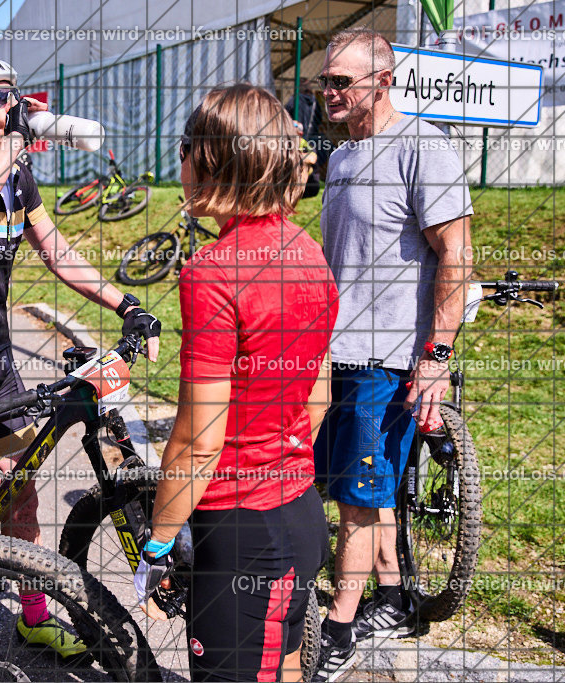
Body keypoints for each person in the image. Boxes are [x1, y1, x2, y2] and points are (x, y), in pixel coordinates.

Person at [0, 54, 162, 663]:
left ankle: (34, 617)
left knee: (22, 493)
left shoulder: (16, 175)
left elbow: (58, 252)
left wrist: (126, 304)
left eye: (13, 99)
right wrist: (12, 144)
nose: (11, 109)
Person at [133, 85, 338, 683]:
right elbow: (318, 396)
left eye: (185, 147)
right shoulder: (308, 251)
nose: (180, 161)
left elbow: (199, 437)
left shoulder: (212, 273)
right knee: (285, 665)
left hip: (242, 528)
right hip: (299, 511)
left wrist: (160, 540)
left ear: (215, 158)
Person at [312, 28, 474, 681]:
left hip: (387, 356)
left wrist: (435, 355)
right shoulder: (344, 153)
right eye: (324, 81)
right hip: (338, 354)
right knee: (357, 490)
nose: (328, 93)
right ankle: (394, 594)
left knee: (356, 497)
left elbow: (456, 255)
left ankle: (338, 632)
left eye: (340, 83)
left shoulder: (422, 147)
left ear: (383, 81)